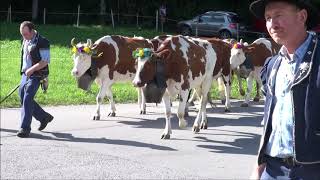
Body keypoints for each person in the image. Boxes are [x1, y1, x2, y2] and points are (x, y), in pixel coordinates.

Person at [249, 0, 320, 179]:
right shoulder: (272, 65)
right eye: (268, 18)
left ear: (302, 16)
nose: (272, 24)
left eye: (278, 15)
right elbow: (269, 119)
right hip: (272, 169)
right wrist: (259, 165)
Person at [17, 21, 53, 138]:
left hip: (37, 74)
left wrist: (31, 69)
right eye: (22, 34)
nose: (24, 37)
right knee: (22, 96)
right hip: (26, 73)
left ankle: (25, 128)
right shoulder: (25, 40)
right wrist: (25, 71)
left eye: (26, 34)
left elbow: (45, 61)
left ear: (32, 31)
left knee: (27, 97)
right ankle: (44, 117)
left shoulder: (43, 42)